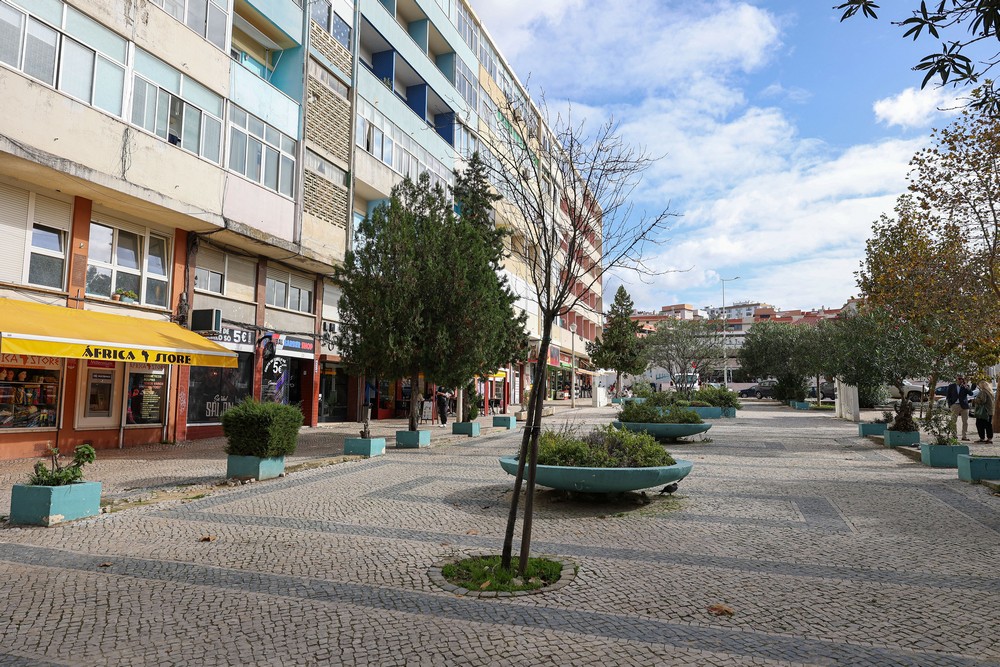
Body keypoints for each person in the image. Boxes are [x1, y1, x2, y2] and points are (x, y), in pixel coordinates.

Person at [946, 375, 974, 441]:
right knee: (953, 421)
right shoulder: (951, 386)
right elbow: (948, 396)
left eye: (962, 379)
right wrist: (951, 405)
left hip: (964, 406)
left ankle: (964, 436)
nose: (961, 380)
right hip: (955, 405)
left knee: (965, 422)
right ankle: (954, 435)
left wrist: (967, 387)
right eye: (959, 379)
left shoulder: (965, 386)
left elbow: (971, 394)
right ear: (956, 379)